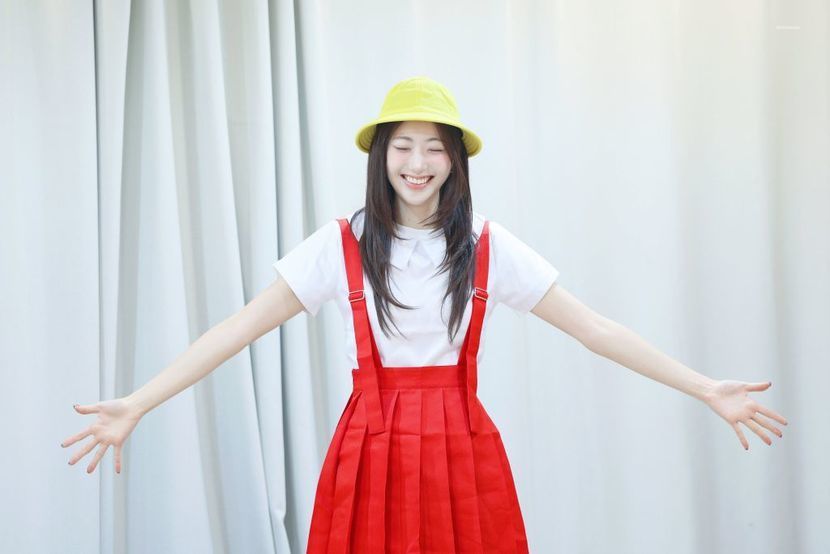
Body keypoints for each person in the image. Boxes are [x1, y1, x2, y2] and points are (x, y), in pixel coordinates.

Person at [62, 76, 789, 552]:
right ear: (381, 155)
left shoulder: (487, 246)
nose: (418, 162)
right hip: (368, 448)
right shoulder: (340, 245)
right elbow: (236, 329)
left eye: (434, 148)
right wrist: (139, 402)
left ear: (455, 161)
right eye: (403, 146)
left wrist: (706, 388)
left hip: (462, 450)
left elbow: (596, 330)